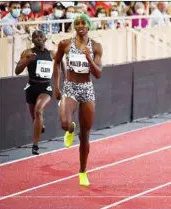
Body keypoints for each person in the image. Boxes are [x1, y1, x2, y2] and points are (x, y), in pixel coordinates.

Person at [53, 14, 103, 186]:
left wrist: (88, 57)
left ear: (89, 26)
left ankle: (82, 172)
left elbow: (98, 74)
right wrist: (57, 86)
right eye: (77, 23)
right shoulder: (65, 44)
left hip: (87, 89)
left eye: (83, 23)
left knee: (85, 136)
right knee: (65, 123)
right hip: (70, 87)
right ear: (74, 27)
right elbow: (57, 62)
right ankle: (70, 128)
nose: (80, 26)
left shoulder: (95, 46)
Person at [15, 30, 59, 155]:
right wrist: (28, 60)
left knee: (39, 111)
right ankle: (40, 125)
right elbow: (17, 70)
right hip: (31, 87)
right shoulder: (28, 52)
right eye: (35, 37)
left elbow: (61, 65)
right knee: (35, 117)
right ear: (32, 40)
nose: (38, 38)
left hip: (45, 87)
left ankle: (35, 145)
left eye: (41, 36)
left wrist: (59, 85)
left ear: (45, 39)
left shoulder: (51, 54)